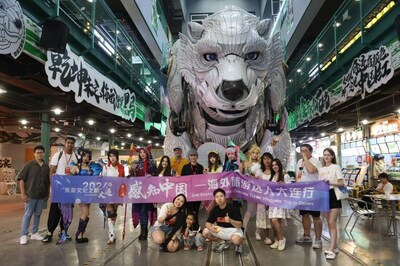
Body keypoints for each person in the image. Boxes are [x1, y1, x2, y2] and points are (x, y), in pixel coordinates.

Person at [43, 137, 78, 244]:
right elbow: (51, 171)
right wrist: (53, 186)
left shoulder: (76, 157)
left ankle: (63, 231)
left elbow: (77, 173)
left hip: (69, 189)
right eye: (68, 142)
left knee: (67, 212)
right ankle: (49, 232)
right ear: (65, 144)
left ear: (73, 145)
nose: (70, 145)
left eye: (72, 143)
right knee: (55, 211)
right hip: (58, 188)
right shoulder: (57, 155)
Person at [18, 145, 50, 245]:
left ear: (44, 153)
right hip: (30, 195)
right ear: (34, 154)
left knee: (37, 214)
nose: (40, 154)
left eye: (41, 152)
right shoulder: (29, 165)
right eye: (38, 152)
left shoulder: (46, 166)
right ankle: (23, 235)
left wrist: (47, 192)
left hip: (41, 196)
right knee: (28, 215)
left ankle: (35, 233)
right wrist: (23, 194)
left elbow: (47, 181)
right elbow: (21, 179)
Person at [70, 148, 102, 243]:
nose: (86, 158)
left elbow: (99, 171)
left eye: (88, 156)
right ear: (80, 156)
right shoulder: (76, 167)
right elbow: (69, 180)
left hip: (89, 192)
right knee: (85, 212)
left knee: (87, 213)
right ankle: (79, 234)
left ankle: (82, 234)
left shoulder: (91, 167)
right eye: (84, 156)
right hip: (80, 193)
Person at [318, 148, 345, 260]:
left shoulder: (336, 167)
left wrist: (330, 182)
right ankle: (334, 246)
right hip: (324, 196)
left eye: (328, 155)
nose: (326, 157)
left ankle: (332, 248)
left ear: (332, 156)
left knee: (332, 222)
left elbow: (341, 183)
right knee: (329, 223)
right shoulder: (321, 169)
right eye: (325, 155)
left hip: (334, 194)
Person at [295, 143, 323, 249]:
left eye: (305, 150)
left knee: (316, 216)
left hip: (314, 193)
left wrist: (306, 159)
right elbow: (298, 175)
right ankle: (307, 236)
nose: (303, 153)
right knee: (304, 214)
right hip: (302, 193)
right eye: (302, 151)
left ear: (310, 151)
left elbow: (311, 170)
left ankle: (318, 239)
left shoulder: (315, 161)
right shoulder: (299, 162)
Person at [203, 188, 244, 255]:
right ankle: (222, 242)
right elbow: (207, 223)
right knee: (205, 232)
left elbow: (240, 225)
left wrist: (230, 220)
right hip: (221, 229)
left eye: (221, 196)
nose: (219, 198)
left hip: (234, 230)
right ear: (215, 199)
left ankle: (238, 245)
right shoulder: (215, 210)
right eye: (217, 197)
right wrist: (210, 228)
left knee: (236, 240)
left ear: (225, 197)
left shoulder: (233, 208)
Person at [129, 145, 157, 241]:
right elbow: (132, 176)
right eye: (140, 152)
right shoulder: (136, 163)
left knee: (144, 209)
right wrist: (131, 171)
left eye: (143, 152)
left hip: (148, 190)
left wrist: (151, 175)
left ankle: (144, 231)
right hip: (138, 190)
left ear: (147, 153)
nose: (142, 154)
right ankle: (142, 231)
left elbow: (156, 174)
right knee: (140, 209)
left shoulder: (152, 163)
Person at [102, 149, 125, 244]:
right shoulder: (106, 167)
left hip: (117, 192)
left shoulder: (121, 167)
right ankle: (111, 235)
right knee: (110, 212)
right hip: (108, 192)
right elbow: (103, 179)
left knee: (114, 213)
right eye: (110, 156)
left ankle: (112, 233)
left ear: (117, 157)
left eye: (114, 156)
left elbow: (123, 180)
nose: (112, 158)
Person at [268, 159, 291, 251]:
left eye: (276, 164)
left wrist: (284, 185)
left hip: (281, 201)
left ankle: (282, 239)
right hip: (273, 201)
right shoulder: (273, 176)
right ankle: (277, 240)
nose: (274, 166)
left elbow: (291, 188)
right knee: (276, 222)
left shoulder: (285, 175)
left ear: (280, 165)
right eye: (273, 165)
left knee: (274, 220)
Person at [254, 152, 273, 244]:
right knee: (264, 217)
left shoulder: (275, 170)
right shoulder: (259, 172)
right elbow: (256, 185)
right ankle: (267, 237)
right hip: (263, 199)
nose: (267, 160)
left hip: (274, 199)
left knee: (275, 218)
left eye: (268, 158)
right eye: (265, 159)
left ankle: (278, 237)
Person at [242, 144, 261, 234]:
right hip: (250, 189)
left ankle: (258, 232)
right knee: (249, 210)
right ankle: (243, 230)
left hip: (260, 189)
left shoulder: (260, 164)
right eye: (253, 152)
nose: (254, 155)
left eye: (256, 153)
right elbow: (244, 176)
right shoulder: (246, 163)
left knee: (259, 211)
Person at [181, 148, 204, 215]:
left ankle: (196, 224)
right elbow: (182, 179)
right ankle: (188, 225)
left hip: (197, 192)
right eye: (191, 155)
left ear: (197, 156)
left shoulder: (200, 167)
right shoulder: (185, 167)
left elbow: (202, 179)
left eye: (194, 155)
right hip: (188, 191)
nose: (193, 157)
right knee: (189, 210)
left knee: (196, 210)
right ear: (189, 157)